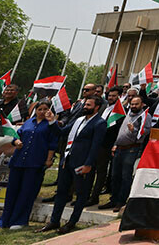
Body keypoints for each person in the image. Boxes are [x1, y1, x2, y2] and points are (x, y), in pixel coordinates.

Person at [37, 96, 107, 235]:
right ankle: (54, 221)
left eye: (88, 105)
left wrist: (88, 164)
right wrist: (52, 122)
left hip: (82, 164)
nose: (85, 107)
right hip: (67, 161)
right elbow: (62, 133)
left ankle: (71, 223)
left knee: (81, 194)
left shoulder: (100, 123)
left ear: (96, 107)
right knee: (62, 192)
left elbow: (96, 146)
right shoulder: (78, 120)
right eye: (84, 104)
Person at [0, 99, 59, 230]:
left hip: (35, 162)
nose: (42, 112)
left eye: (45, 109)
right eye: (39, 109)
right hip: (19, 160)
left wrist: (49, 159)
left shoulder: (51, 125)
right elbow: (16, 135)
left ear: (49, 110)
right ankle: (4, 221)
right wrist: (16, 142)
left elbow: (53, 143)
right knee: (12, 191)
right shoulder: (28, 122)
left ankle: (19, 220)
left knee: (27, 192)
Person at [100, 96, 150, 212]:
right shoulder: (127, 113)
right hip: (119, 149)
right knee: (114, 176)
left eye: (136, 104)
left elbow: (146, 131)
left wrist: (134, 131)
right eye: (132, 104)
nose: (133, 106)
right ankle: (113, 199)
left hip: (131, 149)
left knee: (125, 177)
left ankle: (121, 202)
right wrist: (116, 144)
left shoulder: (144, 116)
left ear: (142, 105)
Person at [88, 86, 123, 206]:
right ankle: (86, 195)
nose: (111, 98)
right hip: (95, 143)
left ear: (119, 96)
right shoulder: (104, 107)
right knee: (90, 169)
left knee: (101, 171)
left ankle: (95, 197)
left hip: (106, 145)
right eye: (110, 95)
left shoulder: (121, 111)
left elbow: (118, 130)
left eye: (114, 96)